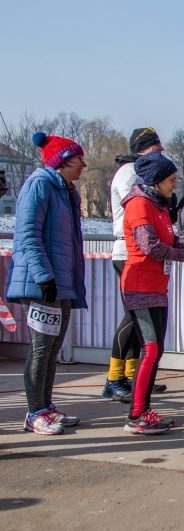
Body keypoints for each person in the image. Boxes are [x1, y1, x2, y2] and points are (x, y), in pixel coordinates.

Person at [120, 153, 184, 434]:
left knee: (155, 349)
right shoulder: (139, 205)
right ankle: (136, 414)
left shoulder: (158, 206)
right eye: (172, 180)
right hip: (139, 285)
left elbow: (171, 240)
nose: (175, 185)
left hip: (156, 287)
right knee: (150, 350)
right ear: (157, 181)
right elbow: (151, 246)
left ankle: (143, 409)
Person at [5, 132, 88, 435]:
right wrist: (44, 277)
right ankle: (33, 412)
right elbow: (28, 235)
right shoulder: (39, 185)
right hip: (42, 284)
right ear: (63, 160)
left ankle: (46, 406)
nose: (84, 164)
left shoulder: (66, 191)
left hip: (60, 284)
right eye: (79, 158)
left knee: (52, 349)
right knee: (41, 350)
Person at [104, 127, 168, 403]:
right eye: (156, 146)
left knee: (139, 319)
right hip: (128, 249)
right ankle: (114, 377)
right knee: (133, 317)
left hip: (139, 250)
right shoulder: (130, 172)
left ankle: (133, 374)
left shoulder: (139, 170)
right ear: (144, 148)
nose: (161, 150)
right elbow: (141, 204)